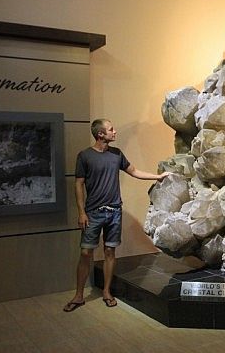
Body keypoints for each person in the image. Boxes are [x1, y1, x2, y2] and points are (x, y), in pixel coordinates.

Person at [63, 119, 170, 312]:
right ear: (100, 134)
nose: (115, 132)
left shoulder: (117, 154)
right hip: (93, 213)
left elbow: (134, 171)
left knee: (110, 252)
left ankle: (106, 291)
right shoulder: (85, 156)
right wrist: (81, 212)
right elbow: (78, 184)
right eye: (111, 129)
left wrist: (158, 177)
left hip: (114, 212)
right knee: (86, 253)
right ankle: (79, 295)